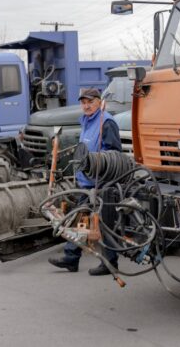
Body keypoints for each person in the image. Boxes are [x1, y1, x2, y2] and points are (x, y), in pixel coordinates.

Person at [48, 88, 122, 276]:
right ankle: (71, 258)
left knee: (104, 223)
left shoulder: (107, 122)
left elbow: (114, 154)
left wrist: (101, 174)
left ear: (99, 102)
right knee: (79, 218)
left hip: (101, 182)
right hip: (85, 181)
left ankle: (110, 263)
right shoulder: (86, 121)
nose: (86, 105)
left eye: (90, 102)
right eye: (83, 102)